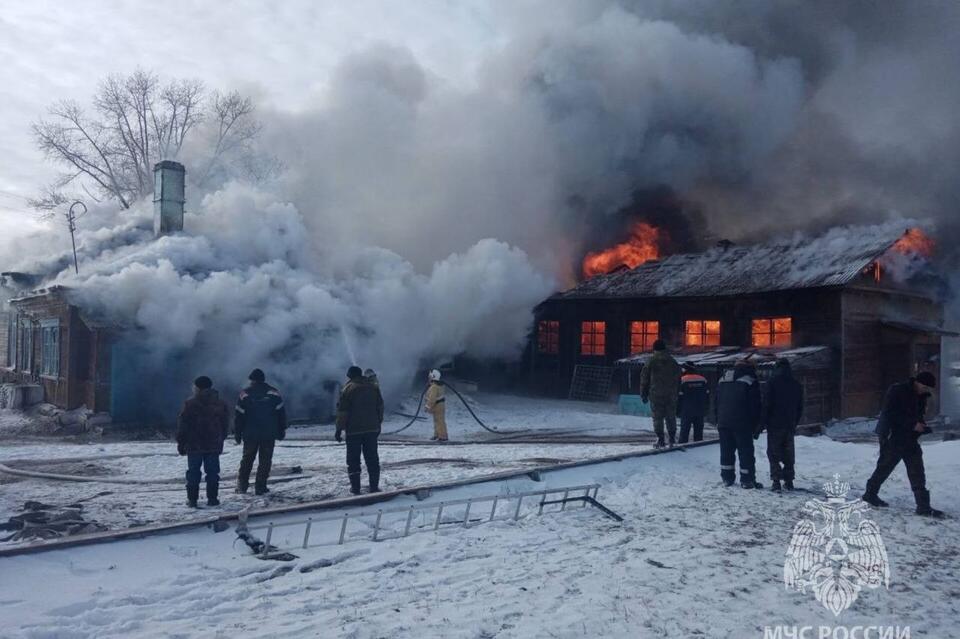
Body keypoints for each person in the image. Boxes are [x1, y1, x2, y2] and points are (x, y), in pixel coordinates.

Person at [862, 371, 944, 518]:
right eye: (924, 386)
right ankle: (870, 494)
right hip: (892, 436)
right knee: (885, 466)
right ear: (917, 382)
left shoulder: (921, 396)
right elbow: (890, 413)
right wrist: (913, 424)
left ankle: (923, 506)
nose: (926, 390)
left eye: (928, 388)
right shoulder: (898, 390)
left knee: (917, 470)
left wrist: (922, 427)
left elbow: (916, 415)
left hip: (909, 438)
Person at [176, 376, 230, 507]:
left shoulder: (190, 404)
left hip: (194, 444)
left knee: (193, 473)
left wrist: (181, 442)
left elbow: (183, 425)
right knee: (212, 473)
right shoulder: (220, 403)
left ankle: (192, 500)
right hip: (213, 444)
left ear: (197, 387)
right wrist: (220, 438)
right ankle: (213, 499)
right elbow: (225, 423)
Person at [235, 368, 287, 496]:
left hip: (250, 433)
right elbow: (281, 414)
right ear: (264, 379)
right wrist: (281, 430)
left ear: (251, 380)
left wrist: (237, 433)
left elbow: (239, 416)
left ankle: (242, 485)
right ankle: (261, 486)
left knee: (247, 459)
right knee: (265, 460)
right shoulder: (274, 393)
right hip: (268, 433)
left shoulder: (244, 394)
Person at [336, 366, 385, 494]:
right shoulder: (373, 387)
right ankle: (374, 487)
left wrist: (339, 429)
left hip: (354, 431)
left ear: (350, 376)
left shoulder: (347, 389)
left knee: (353, 460)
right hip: (372, 430)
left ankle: (355, 488)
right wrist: (378, 424)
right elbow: (380, 407)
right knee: (372, 458)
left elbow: (343, 412)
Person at [716, 361, 763, 489]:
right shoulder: (750, 381)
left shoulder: (722, 379)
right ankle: (747, 480)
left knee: (726, 451)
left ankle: (727, 478)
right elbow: (755, 406)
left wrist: (718, 419)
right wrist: (755, 425)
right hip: (742, 423)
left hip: (723, 422)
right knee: (745, 452)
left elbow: (716, 401)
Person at [764, 359, 804, 492]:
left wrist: (763, 423)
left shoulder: (772, 383)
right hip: (790, 424)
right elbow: (800, 407)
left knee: (773, 454)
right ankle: (789, 481)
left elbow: (767, 405)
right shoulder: (796, 384)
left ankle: (776, 482)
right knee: (789, 454)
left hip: (775, 424)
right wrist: (794, 422)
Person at [640, 340, 681, 448]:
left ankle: (660, 439)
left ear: (655, 349)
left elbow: (644, 379)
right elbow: (678, 378)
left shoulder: (651, 361)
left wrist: (643, 394)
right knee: (670, 416)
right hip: (671, 395)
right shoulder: (673, 362)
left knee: (657, 417)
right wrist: (677, 392)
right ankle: (672, 437)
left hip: (656, 394)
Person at [677, 363, 709, 444]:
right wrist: (706, 408)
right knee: (698, 434)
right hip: (699, 410)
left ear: (686, 369)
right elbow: (707, 395)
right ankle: (698, 451)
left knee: (684, 433)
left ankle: (683, 450)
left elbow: (679, 397)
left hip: (686, 410)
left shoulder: (682, 380)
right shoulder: (703, 380)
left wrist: (677, 410)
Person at [425, 369, 448, 442]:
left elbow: (432, 399)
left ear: (433, 377)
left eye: (430, 377)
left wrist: (428, 406)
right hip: (438, 405)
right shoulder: (438, 385)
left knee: (440, 421)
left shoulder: (434, 387)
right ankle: (437, 435)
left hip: (437, 405)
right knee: (437, 421)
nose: (429, 378)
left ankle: (443, 436)